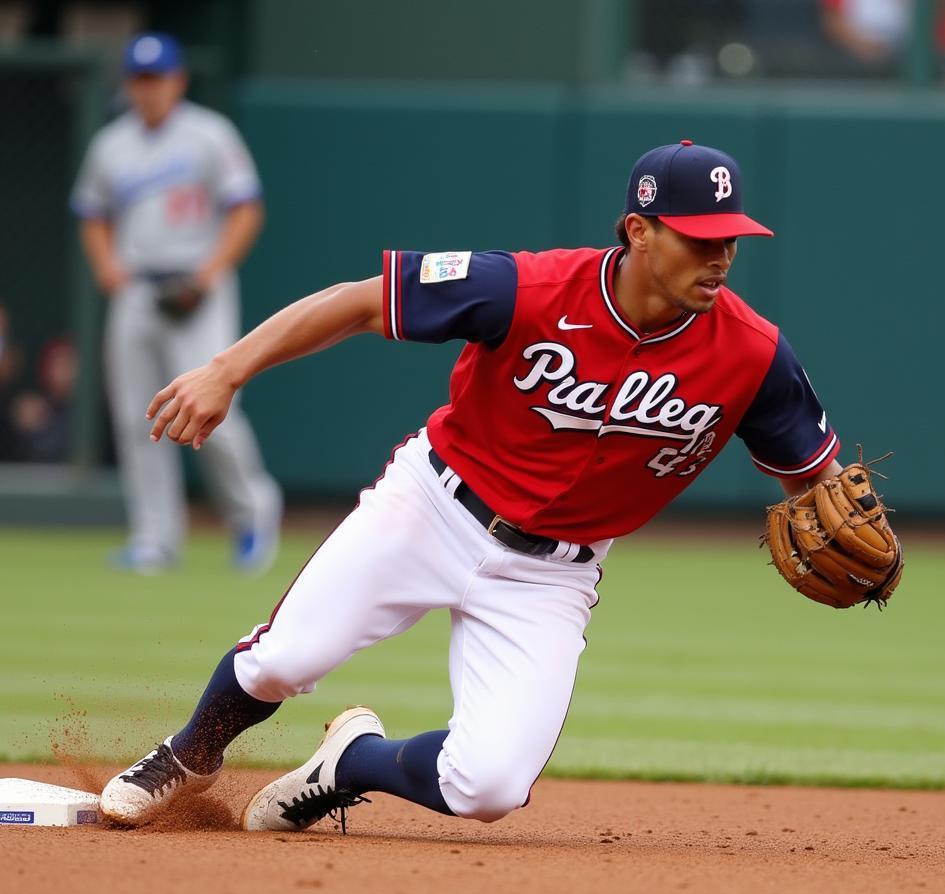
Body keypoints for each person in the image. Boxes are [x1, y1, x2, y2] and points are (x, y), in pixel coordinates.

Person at [99, 140, 845, 830]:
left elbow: (820, 481)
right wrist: (226, 370)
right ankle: (191, 752)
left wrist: (846, 517)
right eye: (699, 237)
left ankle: (347, 761)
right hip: (433, 505)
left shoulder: (753, 356)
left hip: (551, 575)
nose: (720, 256)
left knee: (487, 787)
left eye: (730, 239)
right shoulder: (527, 287)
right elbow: (362, 302)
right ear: (639, 231)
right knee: (285, 660)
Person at [70, 32, 282, 574]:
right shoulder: (111, 144)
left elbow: (246, 209)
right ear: (128, 84)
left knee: (215, 409)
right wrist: (106, 268)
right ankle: (155, 538)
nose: (149, 89)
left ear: (178, 80)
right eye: (140, 79)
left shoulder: (210, 134)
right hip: (139, 286)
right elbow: (91, 212)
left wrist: (210, 273)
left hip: (197, 284)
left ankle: (253, 513)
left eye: (158, 78)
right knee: (136, 415)